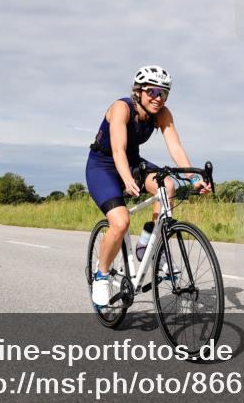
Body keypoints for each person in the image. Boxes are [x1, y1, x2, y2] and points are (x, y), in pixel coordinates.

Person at [86, 65, 211, 306]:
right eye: (153, 91)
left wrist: (194, 178)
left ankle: (147, 245)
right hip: (103, 166)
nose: (158, 98)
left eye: (164, 93)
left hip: (133, 163)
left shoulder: (162, 113)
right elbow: (117, 150)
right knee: (120, 222)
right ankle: (101, 275)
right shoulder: (121, 108)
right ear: (139, 91)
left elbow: (175, 147)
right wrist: (126, 178)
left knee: (168, 186)